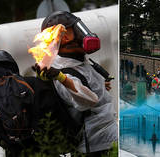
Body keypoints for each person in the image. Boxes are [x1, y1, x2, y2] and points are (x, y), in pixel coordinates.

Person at [33, 11, 118, 156]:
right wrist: (62, 78)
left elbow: (90, 90)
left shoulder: (80, 63)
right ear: (64, 36)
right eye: (77, 29)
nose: (84, 33)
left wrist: (99, 87)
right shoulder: (62, 73)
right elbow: (88, 101)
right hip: (96, 146)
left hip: (107, 138)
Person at [0, 50, 70, 157]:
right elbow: (56, 112)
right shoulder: (33, 83)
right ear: (13, 66)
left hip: (16, 152)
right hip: (44, 148)